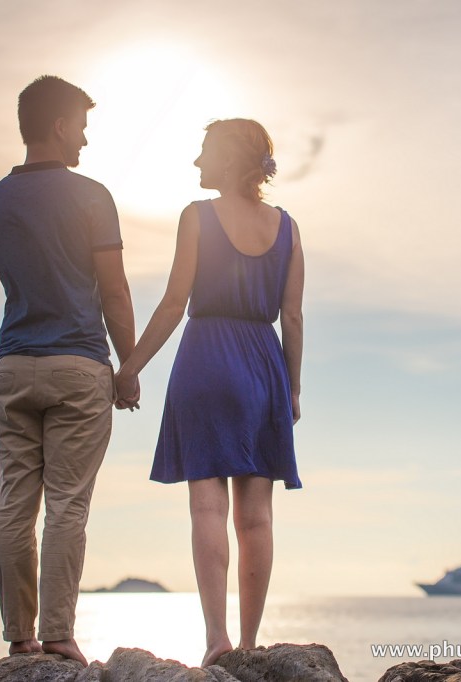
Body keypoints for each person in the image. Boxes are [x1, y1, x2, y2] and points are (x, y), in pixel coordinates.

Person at [115, 118, 304, 667]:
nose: (197, 164)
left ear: (227, 159)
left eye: (204, 153)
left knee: (206, 508)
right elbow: (291, 315)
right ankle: (248, 644)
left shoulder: (197, 217)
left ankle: (215, 637)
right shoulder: (288, 228)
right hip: (262, 362)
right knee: (257, 517)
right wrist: (291, 387)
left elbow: (175, 302)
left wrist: (130, 368)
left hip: (204, 357)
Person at [0, 75, 136, 666]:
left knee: (14, 503)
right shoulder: (92, 196)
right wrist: (130, 365)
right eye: (82, 127)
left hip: (13, 368)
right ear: (60, 125)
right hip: (79, 366)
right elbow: (114, 293)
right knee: (68, 504)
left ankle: (20, 639)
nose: (85, 141)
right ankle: (59, 634)